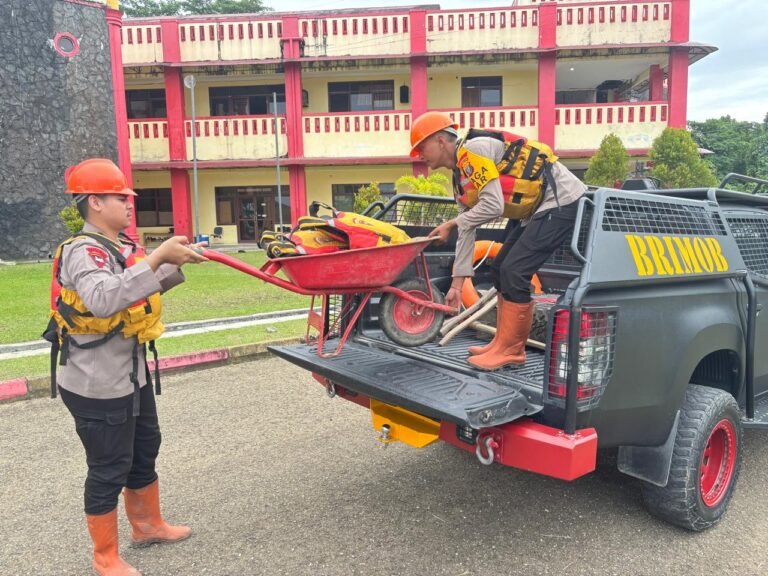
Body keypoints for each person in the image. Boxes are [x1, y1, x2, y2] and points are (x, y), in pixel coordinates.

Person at [46, 158, 207, 576]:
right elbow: (103, 298)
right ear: (95, 202)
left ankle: (148, 526)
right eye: (122, 197)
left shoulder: (119, 248)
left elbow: (136, 286)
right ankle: (105, 558)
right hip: (96, 383)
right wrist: (156, 260)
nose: (129, 204)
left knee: (143, 450)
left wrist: (176, 261)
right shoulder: (83, 252)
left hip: (130, 375)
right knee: (107, 468)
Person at [409, 111, 586, 371]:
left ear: (440, 140)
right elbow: (467, 229)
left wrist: (452, 223)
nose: (419, 156)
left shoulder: (474, 151)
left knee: (515, 270)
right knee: (501, 266)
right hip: (537, 210)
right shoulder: (460, 177)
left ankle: (512, 351)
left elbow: (492, 205)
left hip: (562, 201)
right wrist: (457, 286)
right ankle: (501, 343)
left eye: (421, 147)